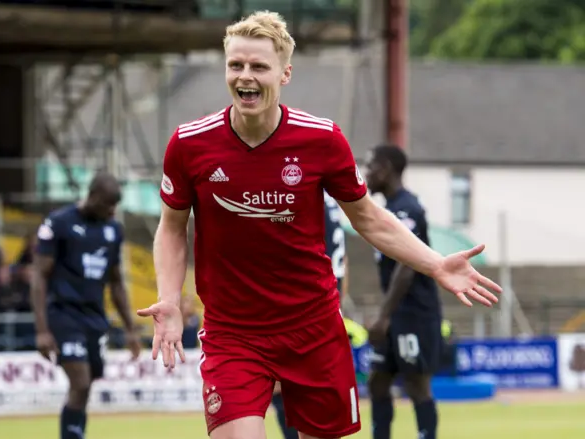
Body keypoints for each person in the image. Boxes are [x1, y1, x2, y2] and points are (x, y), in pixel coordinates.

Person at [137, 11, 500, 439]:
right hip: (233, 334)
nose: (245, 76)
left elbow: (368, 218)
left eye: (258, 66)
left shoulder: (322, 140)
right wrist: (169, 300)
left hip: (313, 329)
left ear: (284, 73)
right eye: (236, 65)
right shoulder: (189, 144)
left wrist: (435, 263)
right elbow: (172, 227)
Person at [31, 172, 141, 439]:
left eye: (115, 205)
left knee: (87, 385)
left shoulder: (113, 230)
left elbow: (116, 283)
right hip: (64, 313)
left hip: (95, 317)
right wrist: (42, 330)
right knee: (79, 383)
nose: (112, 210)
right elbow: (39, 277)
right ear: (91, 197)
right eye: (107, 204)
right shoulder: (59, 223)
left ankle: (73, 432)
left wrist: (130, 328)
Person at [365, 144, 444, 439]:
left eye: (370, 166)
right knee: (377, 381)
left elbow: (406, 266)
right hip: (394, 313)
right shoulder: (385, 211)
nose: (366, 174)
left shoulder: (408, 208)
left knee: (416, 383)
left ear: (386, 168)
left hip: (415, 315)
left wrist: (383, 317)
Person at [271, 189, 348, 439]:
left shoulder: (301, 194)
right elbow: (342, 261)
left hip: (305, 304)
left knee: (284, 387)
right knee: (312, 394)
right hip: (328, 303)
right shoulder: (332, 203)